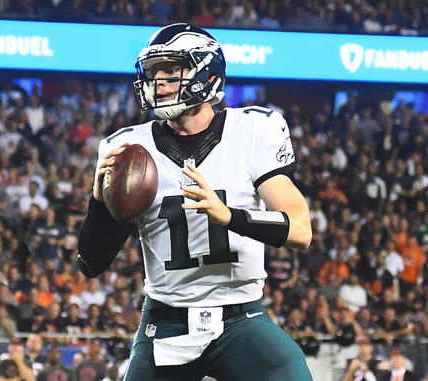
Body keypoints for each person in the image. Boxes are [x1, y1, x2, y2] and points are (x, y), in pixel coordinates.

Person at [77, 23, 312, 381]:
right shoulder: (126, 149)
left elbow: (300, 230)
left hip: (240, 320)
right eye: (155, 73)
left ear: (206, 73)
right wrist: (99, 203)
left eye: (171, 71)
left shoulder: (252, 131)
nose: (160, 83)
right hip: (166, 320)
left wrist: (230, 217)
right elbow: (91, 264)